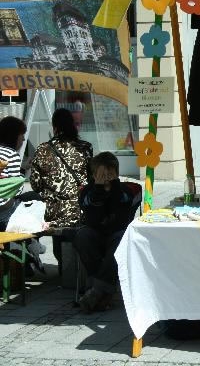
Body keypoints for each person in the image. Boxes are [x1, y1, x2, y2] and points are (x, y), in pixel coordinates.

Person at [73, 152, 136, 313]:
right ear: (94, 175)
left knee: (121, 239)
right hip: (95, 232)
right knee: (82, 236)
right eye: (102, 174)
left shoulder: (124, 191)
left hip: (116, 233)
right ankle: (102, 292)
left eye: (110, 174)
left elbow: (121, 216)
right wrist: (99, 189)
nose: (106, 177)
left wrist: (113, 188)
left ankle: (95, 292)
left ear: (117, 174)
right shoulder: (87, 192)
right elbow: (93, 218)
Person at [30, 108, 93, 229]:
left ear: (54, 127)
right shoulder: (85, 147)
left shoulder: (42, 149)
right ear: (72, 125)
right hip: (79, 210)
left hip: (52, 212)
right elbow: (91, 178)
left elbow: (36, 185)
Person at [0, 116, 26, 230]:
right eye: (22, 135)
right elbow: (16, 191)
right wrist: (22, 174)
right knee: (34, 198)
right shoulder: (11, 154)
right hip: (3, 213)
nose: (23, 139)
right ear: (14, 136)